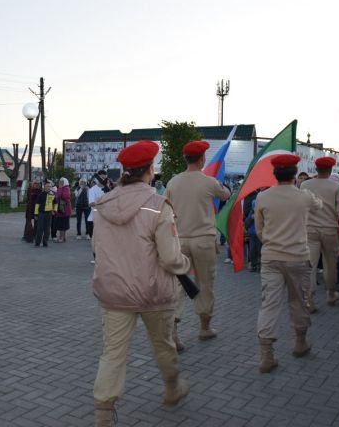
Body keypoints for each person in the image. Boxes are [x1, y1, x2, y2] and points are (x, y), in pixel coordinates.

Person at [92, 140, 192, 425]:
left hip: (113, 293)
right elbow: (171, 258)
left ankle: (103, 413)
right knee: (163, 345)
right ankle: (173, 388)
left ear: (124, 171)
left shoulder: (102, 205)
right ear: (150, 170)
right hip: (153, 293)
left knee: (112, 354)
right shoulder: (158, 205)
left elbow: (97, 249)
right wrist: (185, 266)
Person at [253, 154, 322, 373]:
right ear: (295, 174)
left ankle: (267, 355)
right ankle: (300, 343)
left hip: (271, 257)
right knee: (298, 301)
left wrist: (271, 243)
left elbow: (259, 228)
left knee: (269, 303)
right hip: (298, 257)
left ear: (274, 173)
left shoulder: (263, 197)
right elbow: (318, 206)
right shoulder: (304, 196)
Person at [166, 140, 230, 346]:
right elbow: (226, 194)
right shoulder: (209, 182)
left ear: (185, 158)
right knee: (205, 284)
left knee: (179, 284)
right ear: (202, 159)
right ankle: (204, 327)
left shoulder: (172, 182)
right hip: (204, 240)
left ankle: (174, 326)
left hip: (180, 240)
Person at [300, 157, 339, 312]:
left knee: (310, 265)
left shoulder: (305, 184)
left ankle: (309, 300)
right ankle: (330, 294)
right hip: (330, 230)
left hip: (309, 229)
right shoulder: (337, 186)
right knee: (330, 265)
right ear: (330, 170)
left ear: (316, 169)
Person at [33, 180, 56, 247]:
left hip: (49, 214)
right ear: (44, 187)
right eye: (47, 186)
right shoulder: (40, 195)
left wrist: (54, 211)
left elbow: (56, 203)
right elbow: (37, 205)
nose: (48, 187)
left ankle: (45, 242)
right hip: (41, 214)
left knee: (47, 229)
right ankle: (37, 242)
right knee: (40, 228)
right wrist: (36, 214)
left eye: (49, 186)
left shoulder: (52, 195)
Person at [54, 177, 72, 243]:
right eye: (59, 182)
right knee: (62, 224)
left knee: (63, 225)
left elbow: (65, 196)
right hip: (61, 209)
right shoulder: (60, 188)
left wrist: (60, 188)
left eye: (61, 182)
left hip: (64, 210)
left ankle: (61, 237)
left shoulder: (66, 188)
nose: (60, 183)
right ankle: (63, 237)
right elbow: (57, 196)